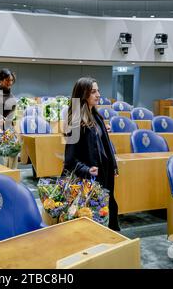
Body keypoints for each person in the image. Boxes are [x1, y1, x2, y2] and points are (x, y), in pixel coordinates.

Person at [62, 77, 120, 231]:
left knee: (104, 216)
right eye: (93, 91)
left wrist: (113, 166)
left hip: (103, 177)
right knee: (90, 224)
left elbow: (105, 147)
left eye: (98, 90)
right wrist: (86, 169)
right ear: (83, 94)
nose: (98, 94)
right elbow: (69, 160)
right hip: (87, 181)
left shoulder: (97, 116)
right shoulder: (75, 120)